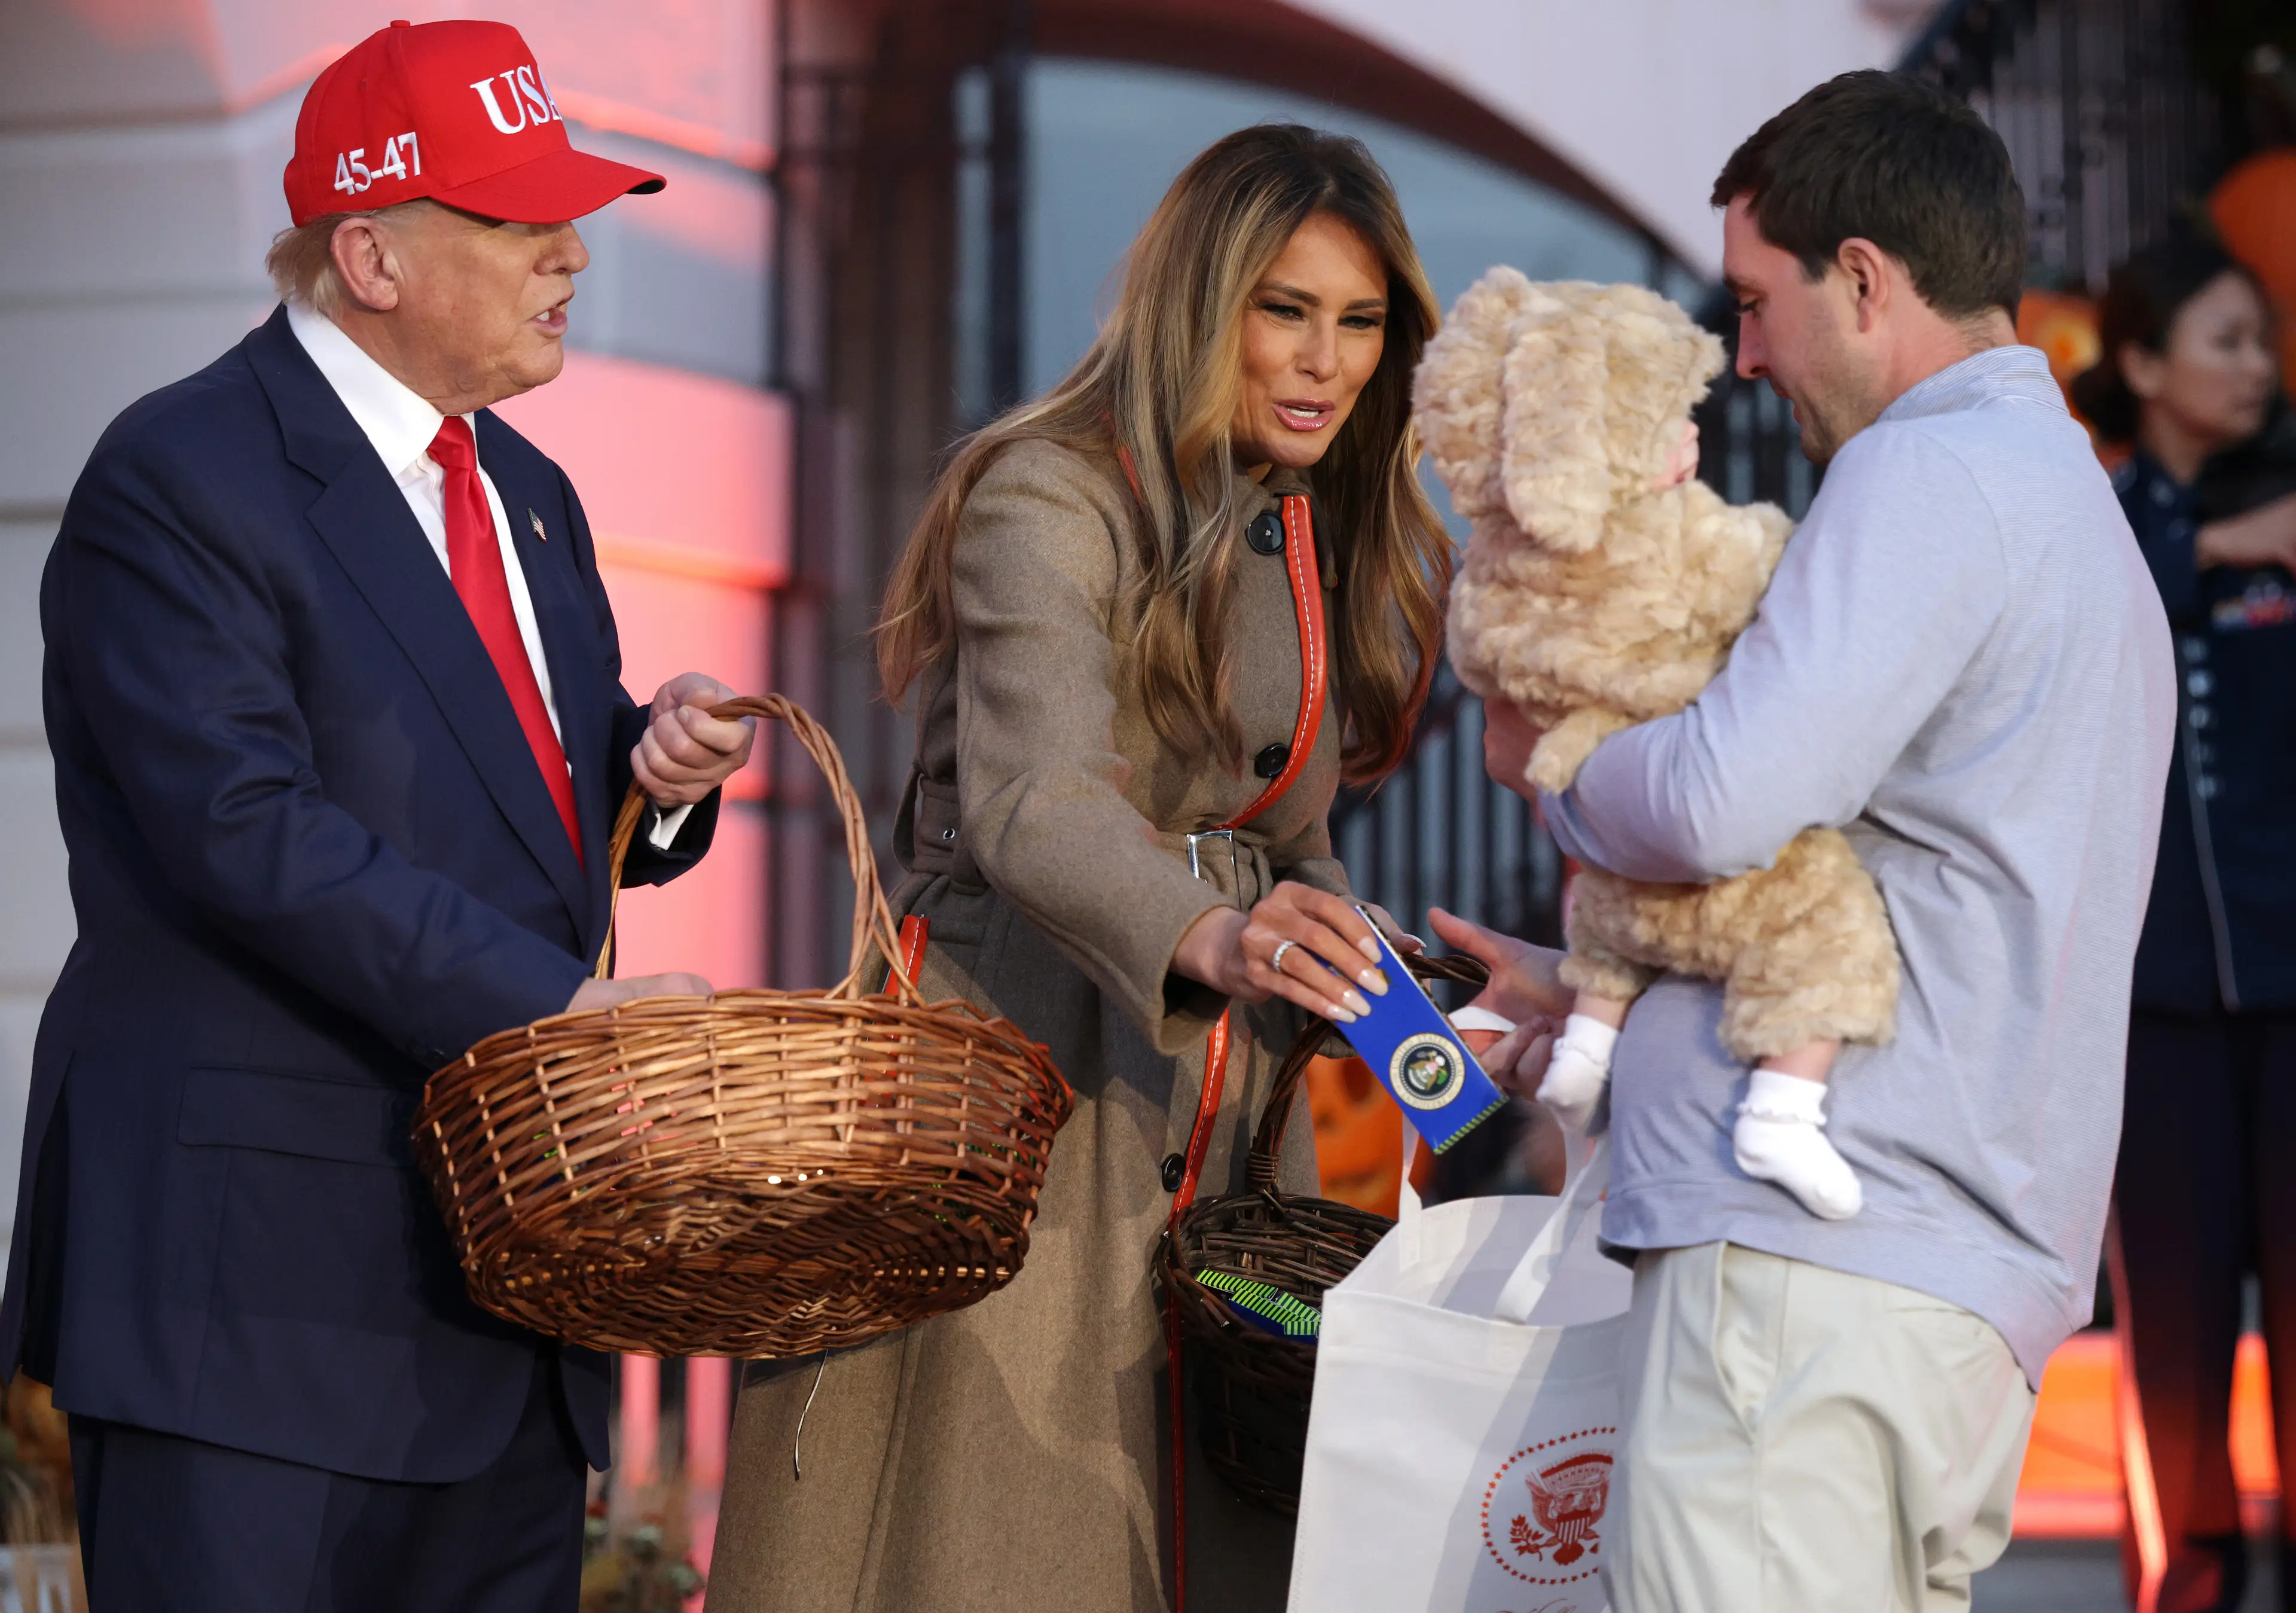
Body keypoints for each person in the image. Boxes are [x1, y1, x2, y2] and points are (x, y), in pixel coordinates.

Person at [0, 20, 756, 1610]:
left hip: (496, 1313)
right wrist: (562, 1007)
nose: (571, 253)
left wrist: (646, 773)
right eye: (516, 218)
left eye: (572, 213)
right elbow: (243, 828)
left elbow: (499, 790)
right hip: (252, 1313)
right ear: (372, 255)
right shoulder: (180, 475)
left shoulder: (531, 490)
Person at [1452, 70, 2175, 1609]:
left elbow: (1725, 800)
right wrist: (1605, 990)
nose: (1747, 350)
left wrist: (1556, 768)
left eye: (1759, 298)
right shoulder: (2059, 499)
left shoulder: (1927, 472)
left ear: (1864, 277)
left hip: (1814, 1277)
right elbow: (1894, 873)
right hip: (1929, 1274)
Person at [704, 126, 1451, 1613]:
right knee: (1005, 1520)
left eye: (1360, 321)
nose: (1326, 359)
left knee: (1207, 1516)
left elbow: (1280, 827)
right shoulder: (1041, 489)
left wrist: (1382, 974)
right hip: (1016, 1062)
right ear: (1199, 302)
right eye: (1284, 309)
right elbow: (1036, 805)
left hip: (1216, 1092)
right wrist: (1220, 935)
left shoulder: (1306, 514)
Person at [2071, 237, 2296, 1613]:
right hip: (2150, 1017)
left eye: (2263, 343)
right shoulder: (2097, 525)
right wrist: (2213, 544)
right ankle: (2187, 1592)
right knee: (2173, 1349)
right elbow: (2069, 612)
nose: (2258, 367)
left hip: (2294, 996)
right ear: (2144, 367)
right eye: (2227, 341)